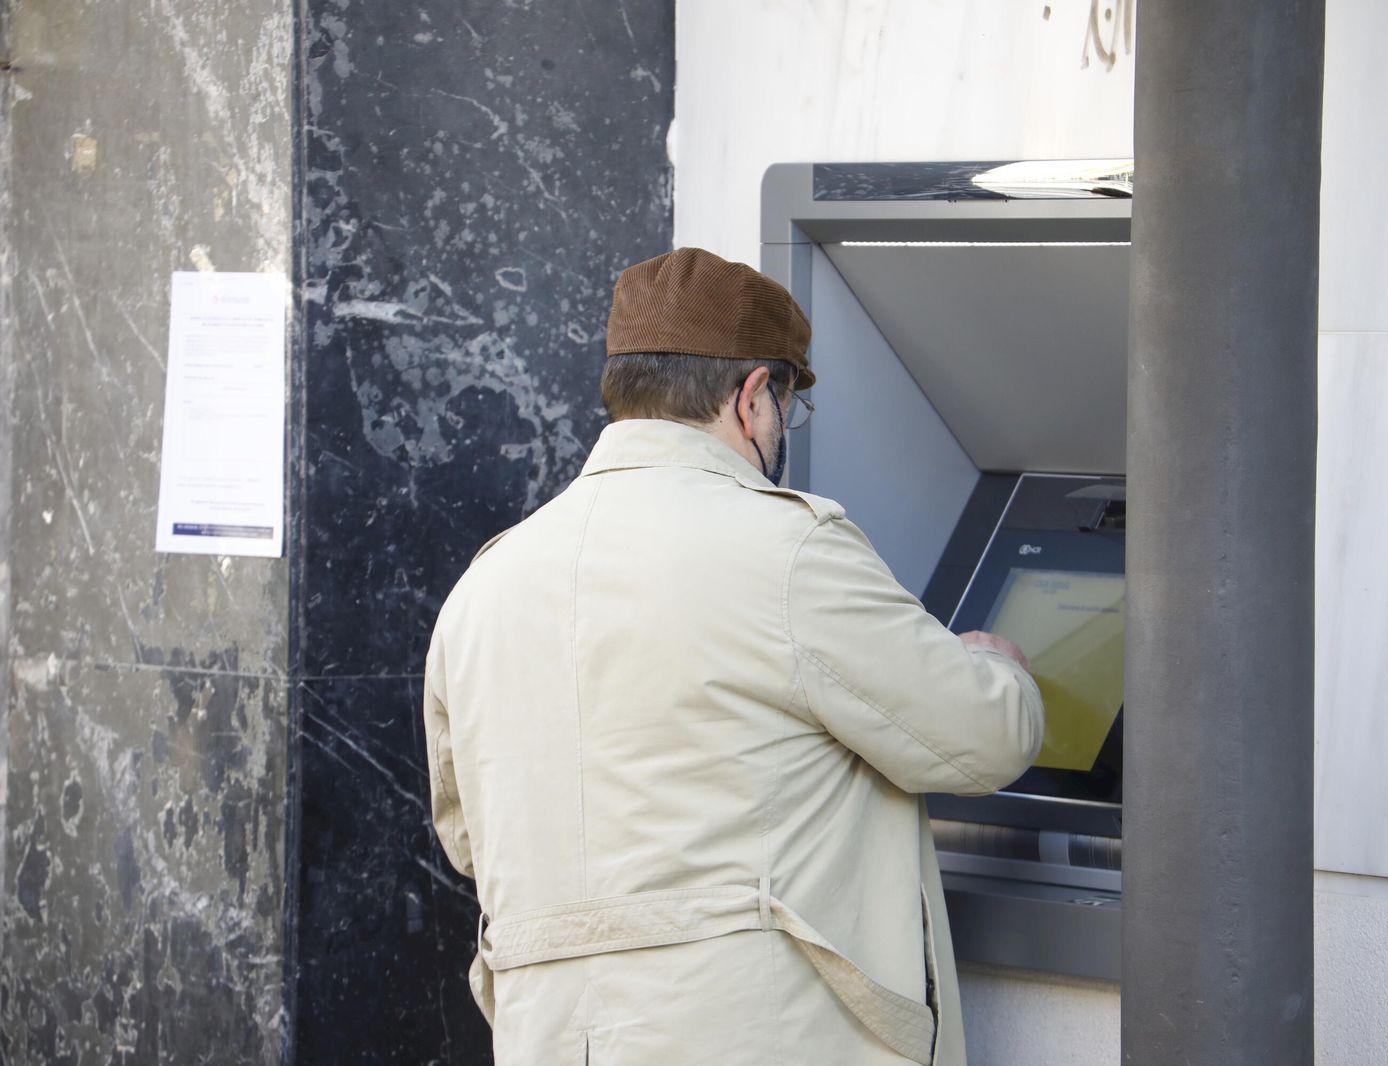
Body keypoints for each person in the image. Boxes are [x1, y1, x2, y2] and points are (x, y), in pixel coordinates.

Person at [423, 246, 1043, 1066]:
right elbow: (982, 738)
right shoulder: (787, 550)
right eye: (789, 406)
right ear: (753, 398)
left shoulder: (485, 585)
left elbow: (469, 838)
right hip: (752, 1035)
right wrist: (998, 665)